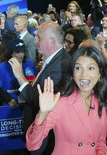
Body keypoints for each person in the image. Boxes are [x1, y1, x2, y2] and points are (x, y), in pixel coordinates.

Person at [26, 46, 107, 154]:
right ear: (72, 73)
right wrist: (43, 114)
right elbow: (32, 145)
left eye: (90, 68)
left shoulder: (102, 104)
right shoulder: (60, 102)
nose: (84, 74)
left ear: (99, 74)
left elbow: (100, 143)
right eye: (78, 68)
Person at [9, 21, 71, 154]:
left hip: (44, 139)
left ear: (52, 41)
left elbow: (43, 104)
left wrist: (21, 77)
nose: (35, 41)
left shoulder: (61, 65)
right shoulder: (53, 61)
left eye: (39, 38)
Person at [0, 38, 37, 108]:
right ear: (11, 52)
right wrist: (8, 99)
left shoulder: (30, 64)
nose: (21, 54)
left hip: (28, 103)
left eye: (23, 51)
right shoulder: (3, 67)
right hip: (10, 105)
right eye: (18, 52)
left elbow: (36, 83)